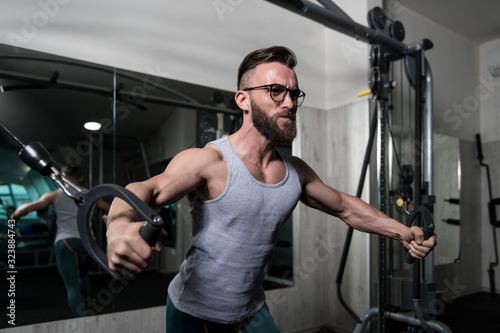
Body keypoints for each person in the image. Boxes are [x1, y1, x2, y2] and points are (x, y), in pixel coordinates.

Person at [106, 46, 437, 332]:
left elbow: (344, 207)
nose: (289, 103)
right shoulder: (210, 161)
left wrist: (402, 231)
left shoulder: (296, 172)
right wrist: (119, 225)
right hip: (192, 309)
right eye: (276, 90)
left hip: (251, 310)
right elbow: (146, 188)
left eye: (294, 94)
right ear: (243, 100)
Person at [11, 165, 109, 317]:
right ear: (80, 178)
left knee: (72, 286)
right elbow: (110, 208)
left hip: (67, 243)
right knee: (82, 276)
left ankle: (83, 321)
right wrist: (109, 218)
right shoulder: (90, 194)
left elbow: (25, 209)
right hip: (89, 244)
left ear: (62, 179)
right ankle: (88, 309)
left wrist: (15, 216)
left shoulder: (55, 194)